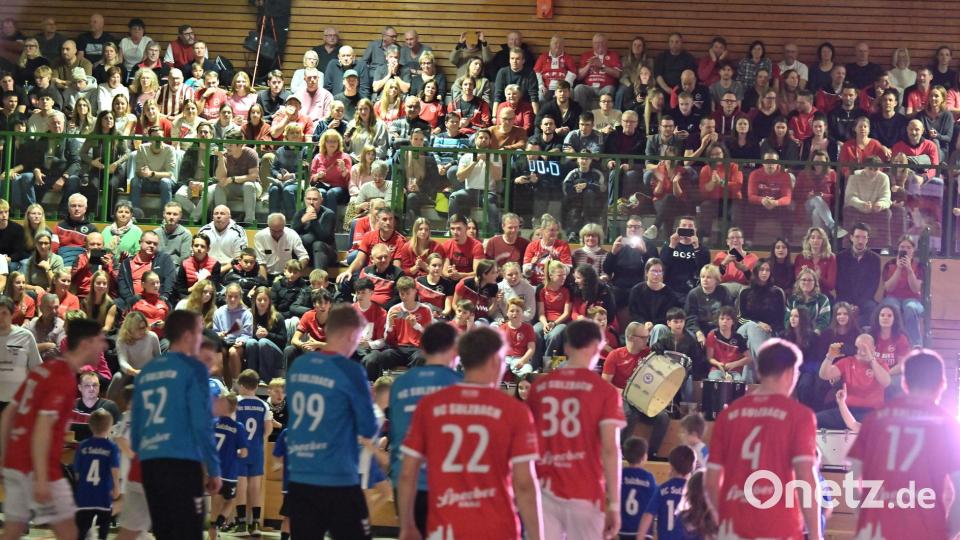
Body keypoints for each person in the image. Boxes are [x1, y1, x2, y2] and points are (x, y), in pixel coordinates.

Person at [397, 326, 543, 540]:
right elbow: (524, 485)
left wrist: (407, 525)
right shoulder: (515, 411)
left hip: (444, 529)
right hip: (496, 529)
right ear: (496, 360)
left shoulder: (429, 405)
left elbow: (408, 473)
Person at [0, 317, 106, 540]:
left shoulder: (44, 369)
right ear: (86, 344)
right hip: (38, 469)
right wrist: (40, 477)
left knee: (13, 532)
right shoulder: (63, 377)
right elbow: (42, 429)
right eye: (100, 341)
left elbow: (9, 414)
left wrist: (3, 461)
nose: (104, 346)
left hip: (14, 463)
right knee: (70, 532)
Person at [704, 339, 821, 539]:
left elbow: (711, 481)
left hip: (733, 528)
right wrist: (816, 534)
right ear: (790, 373)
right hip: (779, 526)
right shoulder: (799, 415)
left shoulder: (727, 415)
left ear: (759, 372)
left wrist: (724, 518)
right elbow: (805, 478)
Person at [285, 304, 378, 539]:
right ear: (350, 335)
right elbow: (368, 427)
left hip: (300, 477)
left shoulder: (298, 367)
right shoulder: (351, 370)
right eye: (358, 338)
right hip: (338, 478)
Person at [847, 349, 960, 538]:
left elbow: (852, 477)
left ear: (904, 383)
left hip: (876, 531)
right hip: (924, 531)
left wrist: (865, 515)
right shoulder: (948, 425)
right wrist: (948, 533)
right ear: (942, 384)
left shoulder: (874, 420)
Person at [527, 319, 624, 539]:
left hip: (544, 491)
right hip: (586, 492)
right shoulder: (605, 391)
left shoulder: (539, 387)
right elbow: (611, 450)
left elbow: (527, 443)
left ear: (567, 347)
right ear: (599, 346)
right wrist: (615, 505)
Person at [129, 310, 222, 540]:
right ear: (189, 335)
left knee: (165, 533)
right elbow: (202, 424)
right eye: (199, 333)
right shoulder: (194, 369)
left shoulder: (146, 372)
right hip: (181, 464)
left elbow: (136, 432)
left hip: (150, 465)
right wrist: (214, 469)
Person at [386, 323, 461, 536]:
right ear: (454, 349)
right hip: (445, 485)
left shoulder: (400, 384)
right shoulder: (460, 385)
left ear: (423, 349)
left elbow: (396, 432)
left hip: (405, 482)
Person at [817, 333, 891, 429]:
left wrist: (872, 360)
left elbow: (886, 382)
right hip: (847, 410)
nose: (861, 352)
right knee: (816, 419)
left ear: (874, 348)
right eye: (858, 348)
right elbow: (824, 375)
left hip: (872, 412)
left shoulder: (880, 363)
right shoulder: (848, 361)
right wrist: (830, 357)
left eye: (865, 349)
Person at [232, 369, 273, 537]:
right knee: (255, 486)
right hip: (256, 449)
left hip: (239, 449)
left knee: (241, 486)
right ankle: (255, 523)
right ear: (256, 386)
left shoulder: (235, 402)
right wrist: (258, 440)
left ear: (241, 385)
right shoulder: (263, 404)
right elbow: (268, 429)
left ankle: (241, 524)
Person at [73, 408, 120, 540]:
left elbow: (77, 472)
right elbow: (114, 468)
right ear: (110, 427)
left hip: (85, 495)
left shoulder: (82, 446)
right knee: (103, 530)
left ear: (90, 425)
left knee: (81, 530)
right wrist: (116, 486)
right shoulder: (111, 447)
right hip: (104, 494)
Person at [209, 393, 248, 539]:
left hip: (213, 470)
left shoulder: (212, 423)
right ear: (234, 408)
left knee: (215, 500)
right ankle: (216, 526)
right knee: (230, 501)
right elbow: (244, 452)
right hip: (229, 472)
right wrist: (236, 452)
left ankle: (212, 529)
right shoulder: (238, 427)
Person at [637, 445, 696, 540]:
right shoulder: (694, 491)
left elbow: (648, 515)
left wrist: (640, 537)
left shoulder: (663, 489)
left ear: (671, 466)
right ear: (692, 468)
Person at [881, 236, 925, 346]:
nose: (905, 250)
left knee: (910, 308)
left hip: (913, 299)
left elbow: (916, 289)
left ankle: (916, 344)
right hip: (892, 297)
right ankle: (894, 342)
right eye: (902, 247)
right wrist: (899, 269)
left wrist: (910, 270)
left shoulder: (919, 266)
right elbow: (888, 288)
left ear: (913, 250)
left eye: (908, 247)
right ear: (898, 249)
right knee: (892, 308)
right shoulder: (889, 264)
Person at [0, 295, 42, 408]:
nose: (0, 317)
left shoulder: (25, 336)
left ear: (12, 314)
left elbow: (37, 368)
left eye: (4, 313)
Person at [70, 370, 121, 441]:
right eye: (87, 385)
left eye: (95, 385)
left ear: (99, 387)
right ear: (80, 387)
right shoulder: (70, 406)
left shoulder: (110, 407)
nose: (91, 389)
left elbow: (117, 435)